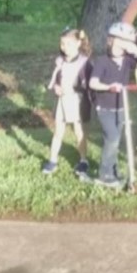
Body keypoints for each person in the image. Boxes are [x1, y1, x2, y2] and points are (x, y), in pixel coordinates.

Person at [87, 22, 137, 189]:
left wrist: (135, 50)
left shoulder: (128, 61)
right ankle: (105, 174)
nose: (118, 46)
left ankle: (113, 171)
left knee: (115, 139)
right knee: (113, 138)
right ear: (110, 41)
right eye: (116, 41)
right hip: (105, 108)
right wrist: (108, 87)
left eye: (124, 42)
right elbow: (93, 83)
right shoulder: (102, 61)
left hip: (121, 107)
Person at [42, 28, 92, 178]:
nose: (64, 47)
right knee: (58, 131)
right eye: (62, 44)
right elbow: (57, 78)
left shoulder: (84, 63)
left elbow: (88, 84)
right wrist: (57, 87)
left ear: (78, 43)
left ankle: (83, 160)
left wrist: (73, 88)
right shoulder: (60, 61)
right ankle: (52, 160)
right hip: (62, 101)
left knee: (79, 132)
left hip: (77, 102)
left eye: (68, 44)